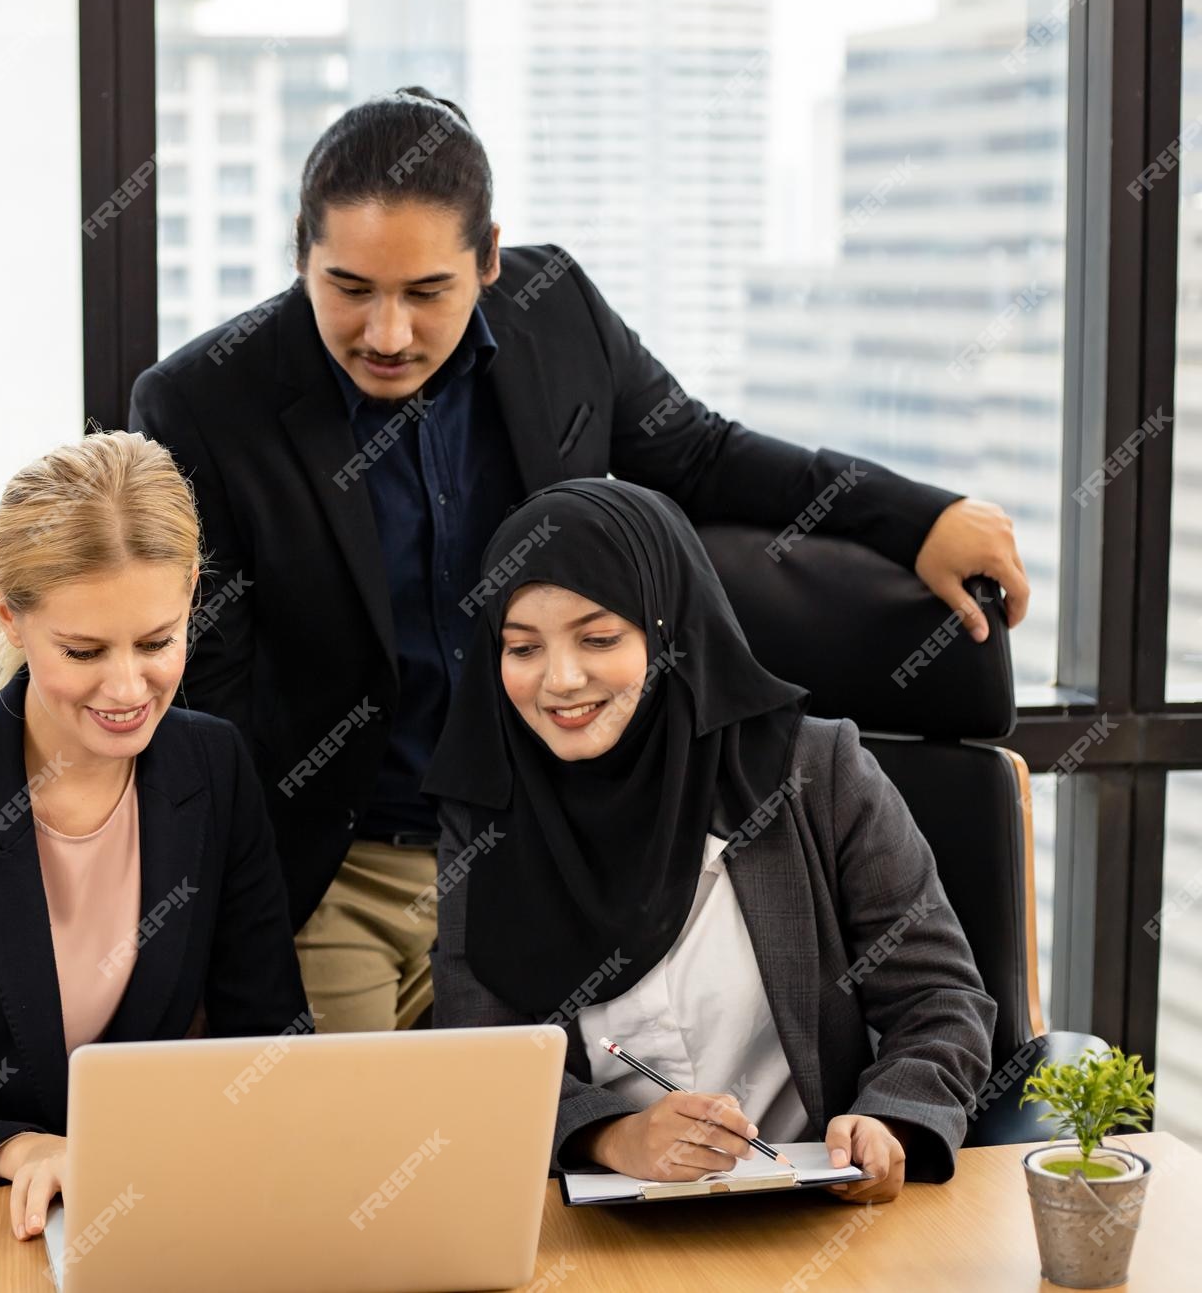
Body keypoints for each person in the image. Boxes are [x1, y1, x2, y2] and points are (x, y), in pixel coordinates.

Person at [130, 87, 1029, 1035]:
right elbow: (207, 697)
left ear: (488, 260)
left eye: (426, 292)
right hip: (335, 867)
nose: (385, 334)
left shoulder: (553, 309)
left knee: (553, 1148)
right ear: (299, 255)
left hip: (544, 841)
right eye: (349, 288)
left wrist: (916, 518)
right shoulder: (203, 402)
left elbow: (701, 455)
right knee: (348, 1157)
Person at [0, 431, 308, 1241]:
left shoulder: (214, 765)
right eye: (84, 650)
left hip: (143, 1220)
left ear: (193, 600)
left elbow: (272, 1049)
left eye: (157, 641)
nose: (127, 687)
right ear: (8, 613)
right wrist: (20, 1148)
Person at [426, 479, 997, 1202]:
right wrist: (608, 1134)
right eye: (522, 647)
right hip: (601, 1230)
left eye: (599, 637)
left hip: (815, 1213)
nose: (560, 680)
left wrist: (890, 1121)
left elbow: (939, 997)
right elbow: (479, 1054)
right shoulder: (484, 813)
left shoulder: (815, 772)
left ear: (667, 632)